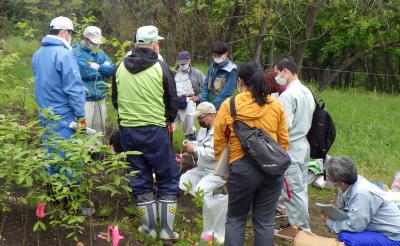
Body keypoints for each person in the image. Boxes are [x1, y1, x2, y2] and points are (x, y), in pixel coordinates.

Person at [113, 25, 179, 240]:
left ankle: (149, 229)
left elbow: (115, 100)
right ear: (154, 44)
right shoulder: (161, 67)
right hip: (154, 131)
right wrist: (166, 119)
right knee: (167, 176)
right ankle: (167, 230)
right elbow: (172, 102)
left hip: (129, 132)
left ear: (135, 44)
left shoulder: (120, 67)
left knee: (139, 177)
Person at [214, 61, 289, 245]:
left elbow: (219, 141)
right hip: (272, 169)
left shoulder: (229, 105)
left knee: (236, 220)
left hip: (241, 168)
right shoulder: (276, 105)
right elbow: (284, 141)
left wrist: (223, 167)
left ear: (239, 81)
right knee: (265, 222)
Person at [32, 16, 85, 176]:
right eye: (71, 33)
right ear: (63, 32)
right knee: (67, 157)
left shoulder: (38, 54)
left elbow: (45, 82)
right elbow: (74, 89)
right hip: (64, 116)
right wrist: (81, 117)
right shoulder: (64, 54)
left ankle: (52, 195)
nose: (71, 37)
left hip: (45, 114)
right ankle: (68, 197)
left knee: (50, 155)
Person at [274, 57, 315, 231]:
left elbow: (284, 125)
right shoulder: (306, 91)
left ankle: (301, 229)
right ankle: (294, 222)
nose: (277, 78)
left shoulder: (288, 95)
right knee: (300, 186)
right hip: (303, 143)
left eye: (277, 73)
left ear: (285, 71)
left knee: (292, 189)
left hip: (292, 145)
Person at [322, 156, 400, 246]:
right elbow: (342, 207)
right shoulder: (347, 184)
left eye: (328, 177)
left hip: (393, 237)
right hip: (377, 228)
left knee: (346, 238)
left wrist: (331, 223)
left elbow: (355, 226)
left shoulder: (361, 193)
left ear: (340, 183)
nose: (326, 178)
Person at [73, 26, 115, 138]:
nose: (96, 45)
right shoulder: (77, 52)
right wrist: (102, 70)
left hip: (100, 98)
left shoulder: (100, 52)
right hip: (84, 100)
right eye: (93, 42)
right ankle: (84, 154)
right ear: (86, 39)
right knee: (84, 131)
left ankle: (97, 155)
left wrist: (98, 67)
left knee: (99, 132)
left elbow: (111, 69)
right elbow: (85, 73)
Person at [179, 102, 225, 196]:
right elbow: (202, 144)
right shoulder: (204, 128)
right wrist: (191, 144)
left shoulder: (221, 130)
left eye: (200, 117)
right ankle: (197, 203)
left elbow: (215, 153)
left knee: (200, 190)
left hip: (216, 172)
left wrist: (195, 149)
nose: (198, 120)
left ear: (211, 115)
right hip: (201, 168)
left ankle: (218, 198)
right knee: (182, 183)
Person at [173, 51, 205, 140]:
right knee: (169, 125)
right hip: (175, 101)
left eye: (185, 62)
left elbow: (207, 87)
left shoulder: (196, 73)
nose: (183, 64)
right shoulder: (174, 72)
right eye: (181, 62)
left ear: (189, 61)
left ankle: (191, 146)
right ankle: (168, 146)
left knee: (189, 124)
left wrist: (199, 97)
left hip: (189, 100)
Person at [198, 41, 237, 109]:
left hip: (222, 104)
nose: (216, 58)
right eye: (214, 56)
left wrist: (212, 106)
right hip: (208, 100)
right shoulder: (212, 66)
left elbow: (226, 93)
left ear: (226, 54)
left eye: (219, 56)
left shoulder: (231, 70)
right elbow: (206, 83)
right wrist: (203, 101)